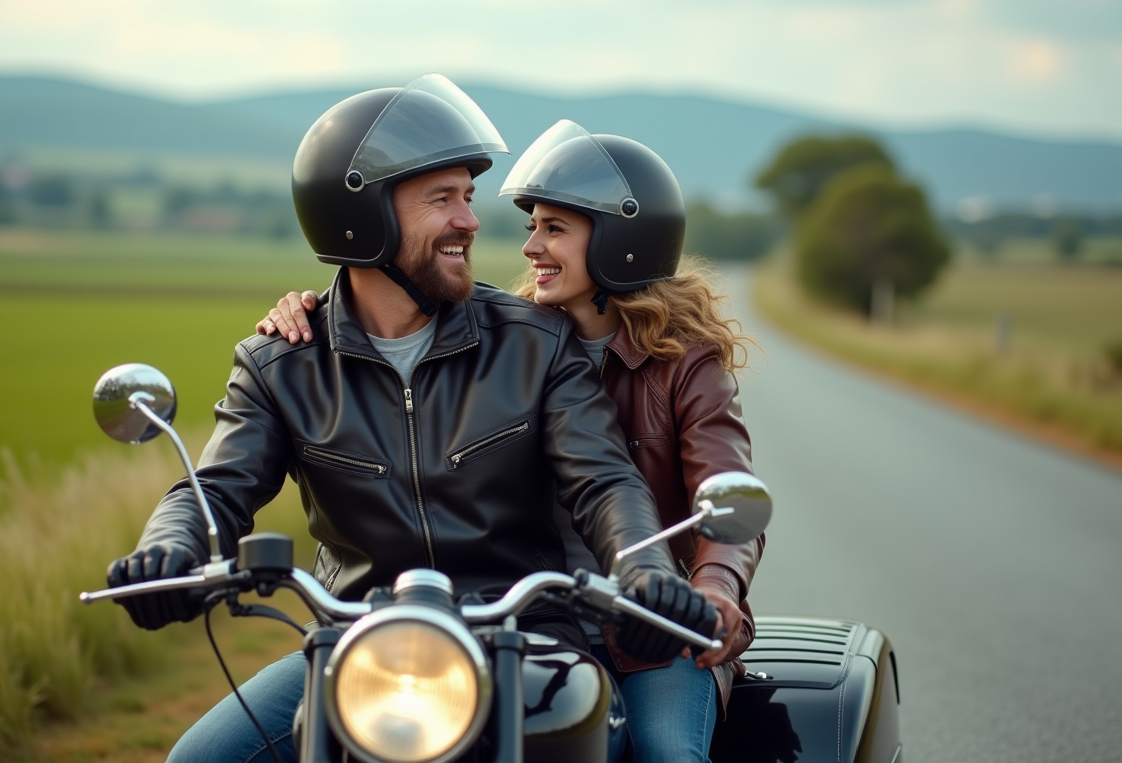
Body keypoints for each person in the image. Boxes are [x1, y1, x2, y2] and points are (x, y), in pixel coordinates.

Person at [110, 77, 716, 763]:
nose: (471, 221)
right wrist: (171, 550)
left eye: (467, 197)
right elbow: (216, 488)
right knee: (198, 759)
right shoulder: (282, 363)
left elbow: (604, 480)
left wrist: (644, 569)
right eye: (443, 200)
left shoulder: (536, 343)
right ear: (363, 217)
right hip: (359, 644)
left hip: (528, 638)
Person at [258, 120, 764, 763]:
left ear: (621, 240)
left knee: (665, 751)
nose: (531, 247)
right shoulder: (513, 338)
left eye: (554, 228)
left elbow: (697, 493)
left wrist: (712, 589)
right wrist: (320, 310)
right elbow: (381, 318)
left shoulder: (686, 369)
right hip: (513, 624)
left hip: (649, 628)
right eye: (532, 226)